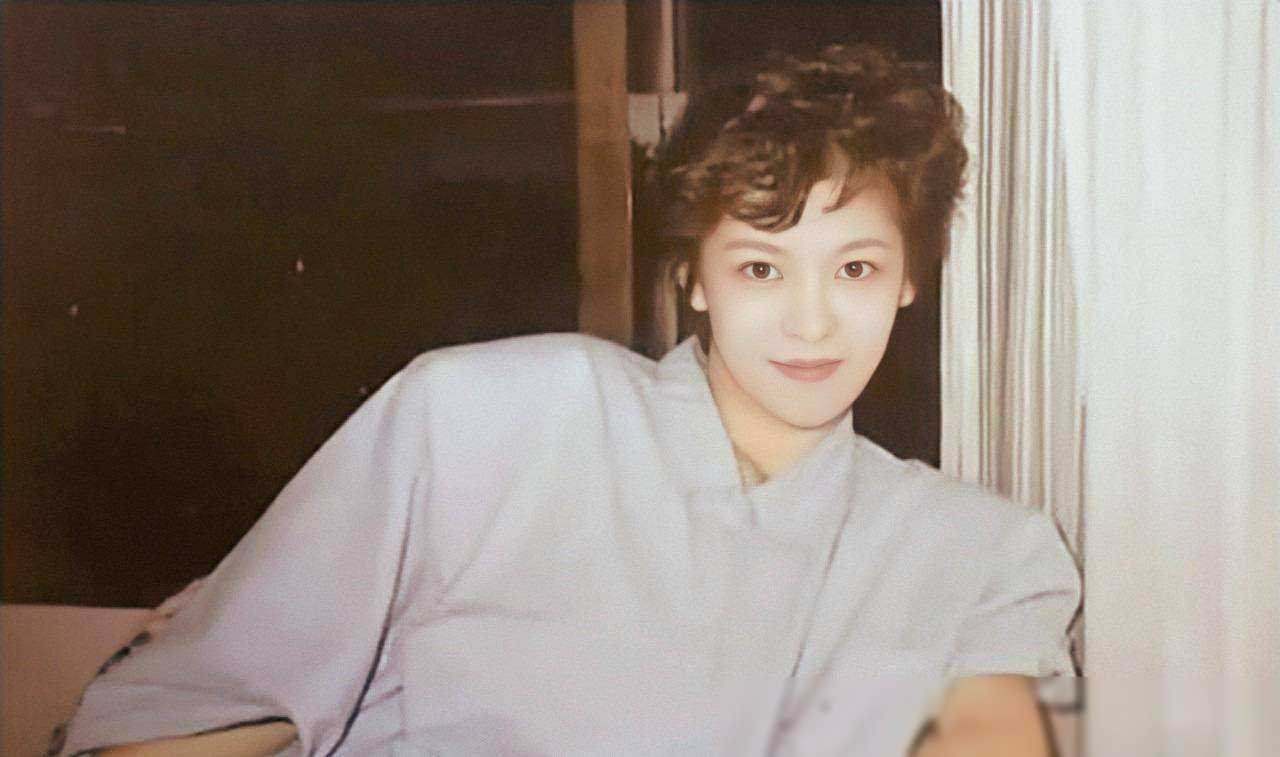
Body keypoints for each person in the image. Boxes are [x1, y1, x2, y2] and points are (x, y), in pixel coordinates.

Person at [53, 44, 1079, 756]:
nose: (811, 324)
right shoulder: (493, 420)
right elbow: (191, 713)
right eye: (761, 268)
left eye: (854, 268)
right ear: (693, 277)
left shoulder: (986, 560)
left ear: (909, 279)